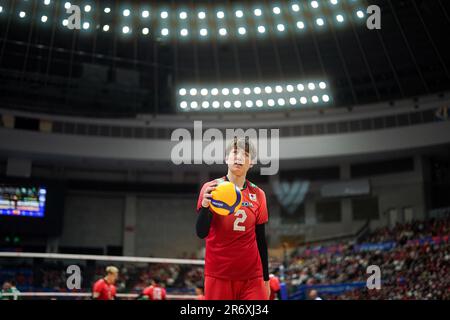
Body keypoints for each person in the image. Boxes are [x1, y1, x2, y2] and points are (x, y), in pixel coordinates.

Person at [196, 137, 270, 300]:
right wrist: (206, 206)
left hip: (252, 277)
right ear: (226, 158)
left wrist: (265, 278)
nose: (239, 157)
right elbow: (201, 232)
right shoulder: (211, 188)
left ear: (251, 163)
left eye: (245, 154)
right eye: (235, 152)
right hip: (219, 275)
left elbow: (261, 239)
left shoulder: (258, 195)